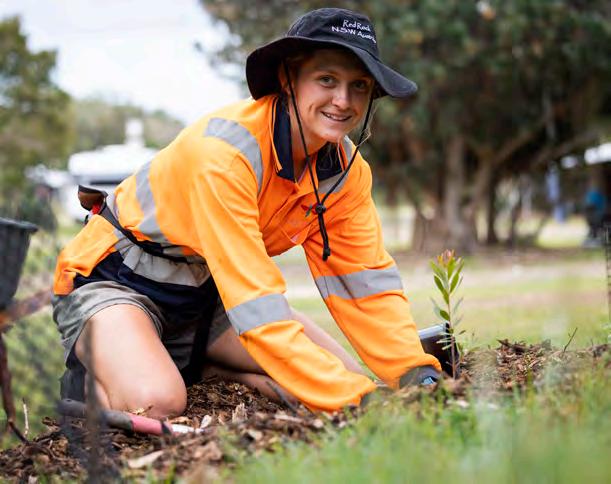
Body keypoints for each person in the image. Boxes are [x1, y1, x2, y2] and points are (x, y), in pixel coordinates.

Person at [52, 7, 441, 417]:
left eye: (359, 85)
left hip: (208, 295)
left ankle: (203, 367)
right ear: (289, 77)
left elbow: (365, 286)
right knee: (159, 401)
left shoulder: (346, 173)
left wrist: (415, 373)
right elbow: (255, 303)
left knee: (343, 373)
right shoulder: (224, 156)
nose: (343, 101)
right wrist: (358, 402)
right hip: (118, 282)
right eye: (327, 79)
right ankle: (101, 379)